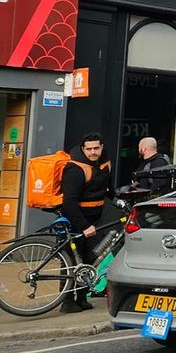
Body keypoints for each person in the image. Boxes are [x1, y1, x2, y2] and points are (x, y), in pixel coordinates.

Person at [57, 133, 118, 312]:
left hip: (94, 219)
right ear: (83, 149)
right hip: (74, 221)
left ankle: (82, 297)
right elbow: (69, 202)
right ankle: (67, 301)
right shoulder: (75, 169)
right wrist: (84, 226)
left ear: (102, 147)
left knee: (88, 260)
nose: (93, 152)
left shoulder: (105, 164)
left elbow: (107, 189)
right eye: (89, 149)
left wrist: (118, 199)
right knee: (70, 262)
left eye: (96, 148)